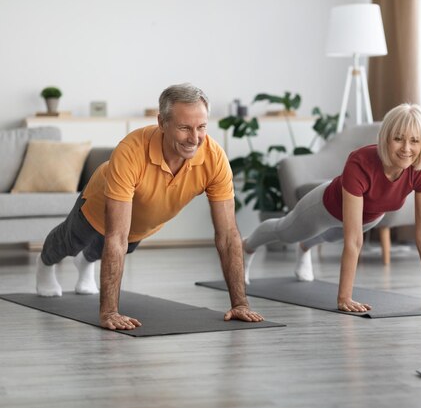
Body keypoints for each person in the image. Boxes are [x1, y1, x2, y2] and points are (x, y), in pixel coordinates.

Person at [36, 83, 264, 329]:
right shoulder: (131, 151)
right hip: (100, 202)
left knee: (112, 250)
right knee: (72, 241)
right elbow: (116, 236)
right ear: (162, 122)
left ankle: (86, 263)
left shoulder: (214, 158)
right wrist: (109, 313)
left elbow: (228, 235)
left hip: (142, 222)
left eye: (201, 127)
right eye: (184, 128)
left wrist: (240, 303)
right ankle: (45, 264)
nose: (194, 138)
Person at [243, 103, 421, 312]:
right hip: (325, 206)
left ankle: (305, 248)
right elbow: (354, 239)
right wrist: (344, 297)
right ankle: (247, 247)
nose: (407, 148)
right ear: (385, 138)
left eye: (415, 141)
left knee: (329, 238)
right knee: (286, 232)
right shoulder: (361, 162)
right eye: (398, 139)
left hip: (370, 216)